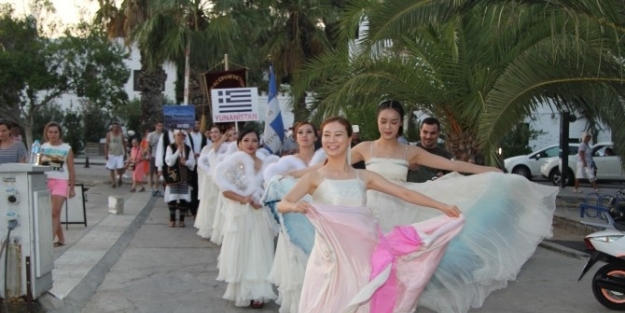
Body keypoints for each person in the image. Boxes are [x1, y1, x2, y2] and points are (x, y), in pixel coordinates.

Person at [277, 117, 463, 313]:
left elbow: (404, 193)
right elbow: (283, 203)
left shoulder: (363, 177)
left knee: (362, 302)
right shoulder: (314, 177)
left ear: (349, 139)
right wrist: (294, 207)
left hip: (362, 256)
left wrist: (441, 206)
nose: (332, 140)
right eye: (327, 135)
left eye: (338, 135)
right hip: (329, 258)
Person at [263, 122, 326, 313]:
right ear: (295, 137)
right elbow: (274, 190)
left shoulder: (328, 158)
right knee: (298, 269)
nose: (305, 135)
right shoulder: (285, 164)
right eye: (300, 132)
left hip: (321, 219)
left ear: (316, 136)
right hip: (294, 220)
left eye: (309, 132)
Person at [213, 128, 279, 308]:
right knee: (242, 251)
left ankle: (259, 292)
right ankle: (243, 292)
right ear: (239, 143)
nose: (251, 144)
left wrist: (263, 201)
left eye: (254, 140)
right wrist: (244, 199)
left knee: (260, 251)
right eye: (246, 140)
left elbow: (273, 188)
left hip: (260, 214)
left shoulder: (266, 164)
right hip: (241, 215)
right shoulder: (232, 164)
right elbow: (224, 189)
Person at [40, 122, 76, 247]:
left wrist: (72, 188)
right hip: (46, 181)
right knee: (52, 213)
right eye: (50, 132)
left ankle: (49, 240)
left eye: (55, 132)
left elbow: (71, 169)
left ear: (59, 133)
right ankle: (61, 239)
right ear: (47, 133)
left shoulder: (66, 148)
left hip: (61, 181)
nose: (53, 134)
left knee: (55, 212)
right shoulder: (42, 147)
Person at [163, 129, 196, 227]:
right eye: (178, 135)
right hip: (173, 175)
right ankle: (172, 218)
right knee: (172, 198)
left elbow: (192, 163)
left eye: (182, 135)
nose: (180, 137)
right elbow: (169, 161)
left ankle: (182, 220)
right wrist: (178, 151)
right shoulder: (170, 147)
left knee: (183, 198)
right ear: (174, 136)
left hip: (184, 176)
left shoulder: (188, 148)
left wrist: (185, 162)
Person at [407, 117, 454, 183]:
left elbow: (452, 181)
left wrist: (444, 178)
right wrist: (405, 165)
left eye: (432, 133)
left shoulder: (445, 155)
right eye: (425, 132)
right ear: (420, 132)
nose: (428, 136)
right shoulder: (408, 149)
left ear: (438, 134)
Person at [194, 125, 220, 238]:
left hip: (219, 181)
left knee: (218, 205)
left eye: (216, 132)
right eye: (211, 132)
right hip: (209, 181)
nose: (213, 134)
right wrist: (210, 173)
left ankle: (217, 231)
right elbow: (201, 164)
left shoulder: (224, 148)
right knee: (209, 203)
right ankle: (208, 229)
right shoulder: (206, 148)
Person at [187, 120, 208, 218]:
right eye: (194, 124)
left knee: (200, 188)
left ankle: (198, 210)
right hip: (190, 166)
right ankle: (192, 209)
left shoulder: (204, 137)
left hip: (201, 166)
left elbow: (209, 149)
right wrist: (192, 154)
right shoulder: (187, 136)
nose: (196, 125)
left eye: (198, 123)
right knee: (192, 188)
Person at [104, 122, 127, 188]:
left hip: (119, 154)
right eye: (114, 127)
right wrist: (106, 154)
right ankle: (113, 182)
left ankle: (120, 178)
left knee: (120, 168)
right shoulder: (109, 134)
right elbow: (105, 145)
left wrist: (125, 153)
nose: (116, 128)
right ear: (112, 128)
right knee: (112, 169)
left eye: (117, 127)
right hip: (111, 154)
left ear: (119, 128)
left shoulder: (121, 135)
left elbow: (124, 144)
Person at [147, 122, 164, 196]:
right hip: (153, 155)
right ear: (156, 126)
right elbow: (148, 145)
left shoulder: (163, 135)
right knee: (150, 173)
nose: (160, 127)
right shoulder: (151, 135)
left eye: (162, 126)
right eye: (159, 125)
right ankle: (151, 189)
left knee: (158, 173)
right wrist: (148, 154)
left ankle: (156, 188)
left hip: (160, 156)